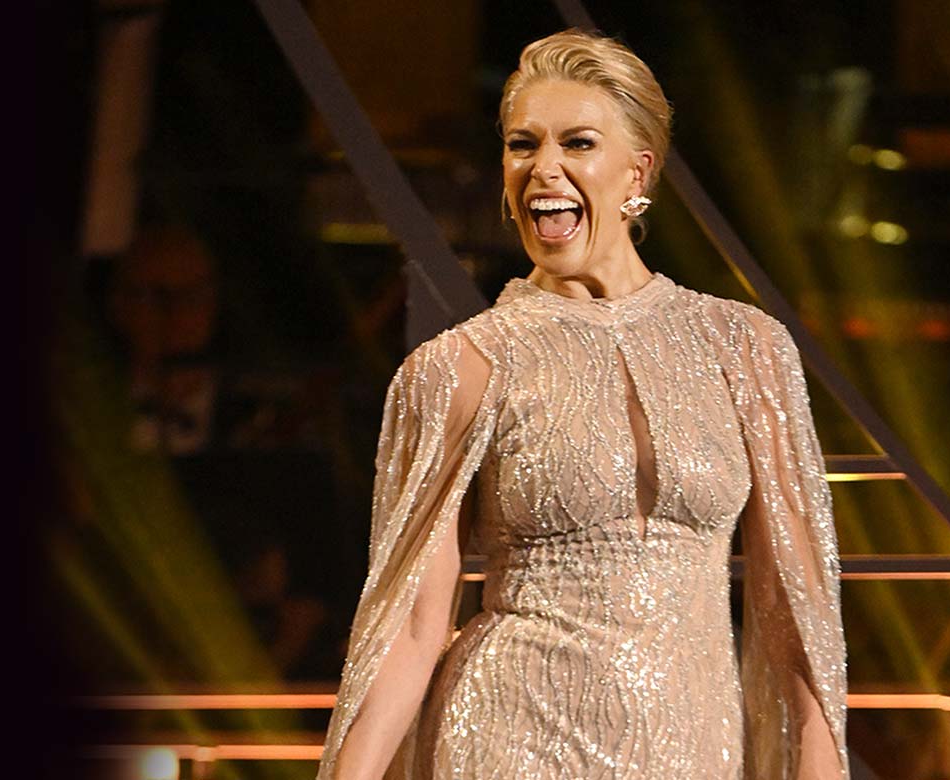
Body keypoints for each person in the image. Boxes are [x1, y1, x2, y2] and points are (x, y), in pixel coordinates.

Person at [318, 29, 848, 779]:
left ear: (638, 170)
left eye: (577, 143)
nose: (544, 168)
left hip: (692, 747)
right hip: (507, 737)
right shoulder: (457, 368)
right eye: (522, 144)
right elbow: (409, 624)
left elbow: (798, 613)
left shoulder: (746, 349)